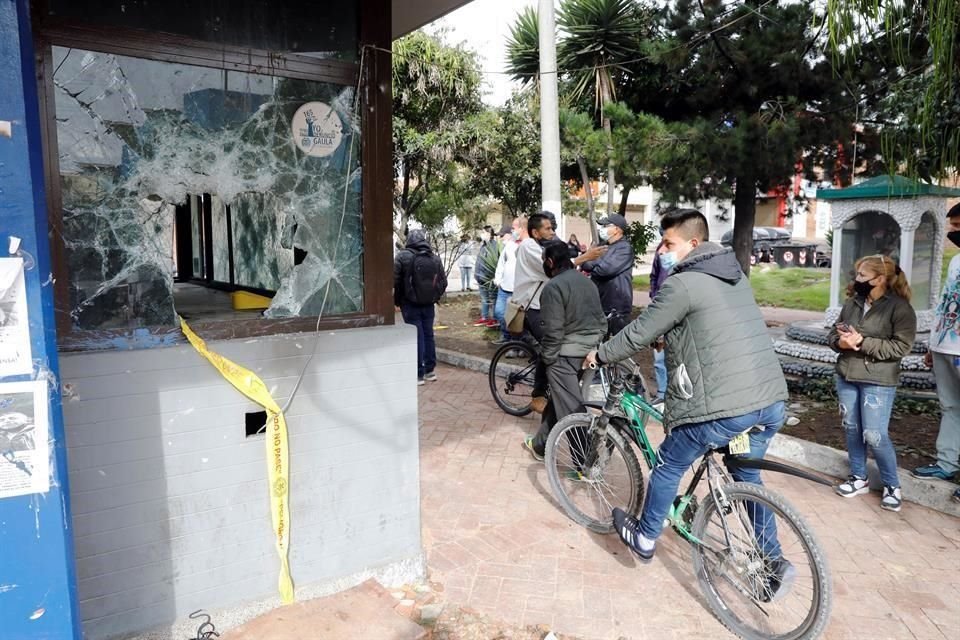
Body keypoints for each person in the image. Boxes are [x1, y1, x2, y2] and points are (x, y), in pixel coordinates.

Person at [584, 209, 790, 593]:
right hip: (768, 404)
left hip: (724, 409)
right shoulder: (733, 274)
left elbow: (640, 332)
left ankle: (645, 538)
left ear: (694, 244)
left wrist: (601, 354)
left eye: (669, 243)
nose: (662, 250)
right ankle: (772, 560)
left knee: (668, 464)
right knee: (747, 475)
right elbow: (711, 327)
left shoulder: (683, 284)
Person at [827, 255, 915, 512]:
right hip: (847, 374)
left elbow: (901, 346)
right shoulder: (853, 302)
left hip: (878, 380)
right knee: (852, 428)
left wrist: (863, 342)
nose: (857, 280)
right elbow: (834, 333)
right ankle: (858, 477)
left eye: (863, 276)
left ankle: (892, 485)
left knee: (875, 435)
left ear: (880, 279)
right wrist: (840, 342)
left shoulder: (899, 308)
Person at [523, 240, 607, 460]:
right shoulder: (586, 282)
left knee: (571, 409)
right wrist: (593, 348)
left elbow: (553, 333)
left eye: (544, 262)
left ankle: (586, 463)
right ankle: (540, 445)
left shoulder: (553, 288)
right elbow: (601, 322)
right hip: (588, 353)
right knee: (562, 398)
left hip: (565, 356)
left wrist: (547, 361)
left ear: (550, 262)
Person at [914, 203, 960, 503]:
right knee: (950, 407)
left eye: (957, 226)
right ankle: (946, 464)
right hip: (945, 346)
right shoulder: (956, 261)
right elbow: (945, 304)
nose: (953, 233)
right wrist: (932, 345)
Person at [513, 213, 556, 413]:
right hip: (532, 308)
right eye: (547, 228)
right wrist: (585, 257)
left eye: (552, 228)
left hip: (545, 306)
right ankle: (538, 394)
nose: (552, 232)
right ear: (535, 232)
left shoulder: (542, 246)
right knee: (550, 345)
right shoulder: (529, 247)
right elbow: (552, 269)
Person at [394, 229, 447, 385]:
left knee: (416, 336)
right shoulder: (434, 258)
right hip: (428, 304)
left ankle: (418, 374)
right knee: (428, 334)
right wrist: (433, 297)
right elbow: (443, 282)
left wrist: (398, 300)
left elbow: (395, 280)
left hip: (409, 304)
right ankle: (430, 371)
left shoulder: (402, 256)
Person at [576, 213, 635, 336]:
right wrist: (592, 262)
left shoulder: (624, 248)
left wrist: (592, 263)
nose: (601, 229)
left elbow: (604, 271)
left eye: (606, 226)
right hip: (601, 303)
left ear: (617, 229)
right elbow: (584, 263)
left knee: (617, 346)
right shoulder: (602, 246)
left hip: (617, 306)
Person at [648, 236, 670, 404]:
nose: (663, 251)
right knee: (659, 355)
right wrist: (653, 294)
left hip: (677, 309)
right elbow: (654, 275)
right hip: (660, 308)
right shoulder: (661, 250)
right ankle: (662, 393)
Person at [493, 223, 519, 344]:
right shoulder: (507, 248)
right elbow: (501, 265)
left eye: (503, 235)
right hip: (504, 288)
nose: (501, 238)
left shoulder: (522, 246)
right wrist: (498, 280)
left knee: (515, 318)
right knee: (499, 312)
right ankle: (506, 335)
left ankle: (514, 340)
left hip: (516, 289)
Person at [473, 225, 501, 327]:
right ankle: (484, 317)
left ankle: (494, 318)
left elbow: (493, 262)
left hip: (489, 278)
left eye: (484, 232)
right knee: (484, 299)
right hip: (481, 278)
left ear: (489, 234)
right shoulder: (483, 246)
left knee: (492, 299)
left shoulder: (494, 246)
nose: (482, 234)